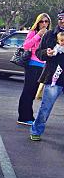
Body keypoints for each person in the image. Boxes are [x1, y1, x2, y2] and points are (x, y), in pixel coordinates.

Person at [30, 10, 64, 141]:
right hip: (53, 78)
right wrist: (46, 53)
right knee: (46, 107)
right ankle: (36, 130)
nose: (63, 20)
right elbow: (39, 53)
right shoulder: (50, 34)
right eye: (61, 17)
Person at [17, 13, 51, 125]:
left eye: (46, 21)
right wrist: (38, 35)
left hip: (43, 66)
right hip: (32, 65)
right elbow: (26, 46)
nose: (44, 24)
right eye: (42, 21)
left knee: (34, 92)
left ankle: (28, 116)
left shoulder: (50, 34)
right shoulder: (33, 32)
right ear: (38, 22)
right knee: (28, 90)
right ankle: (23, 116)